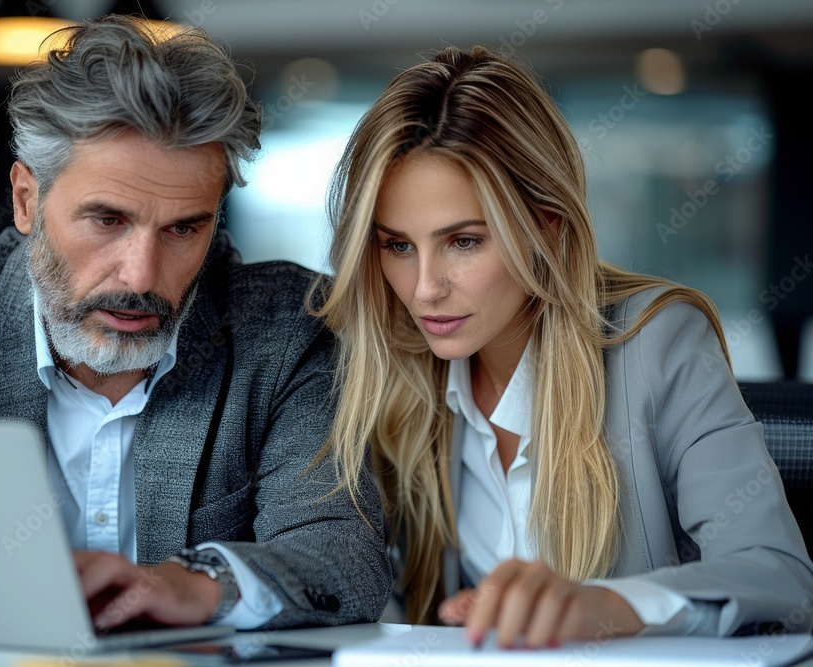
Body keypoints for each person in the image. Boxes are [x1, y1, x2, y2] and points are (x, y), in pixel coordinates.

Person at [0, 15, 390, 631]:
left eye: (184, 228)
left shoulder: (285, 328)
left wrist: (199, 582)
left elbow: (345, 561)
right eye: (107, 220)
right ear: (27, 200)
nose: (140, 277)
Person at [310, 45, 813, 647]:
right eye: (397, 246)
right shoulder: (393, 366)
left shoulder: (659, 345)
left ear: (547, 224)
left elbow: (783, 580)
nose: (424, 289)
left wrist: (602, 606)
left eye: (464, 242)